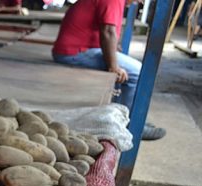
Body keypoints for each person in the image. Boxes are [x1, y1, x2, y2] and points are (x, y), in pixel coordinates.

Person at [52, 0, 166, 140]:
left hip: (77, 49)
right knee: (138, 72)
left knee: (124, 70)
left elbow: (107, 30)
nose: (139, 2)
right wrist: (113, 66)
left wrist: (114, 58)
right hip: (74, 52)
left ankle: (127, 117)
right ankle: (132, 126)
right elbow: (108, 31)